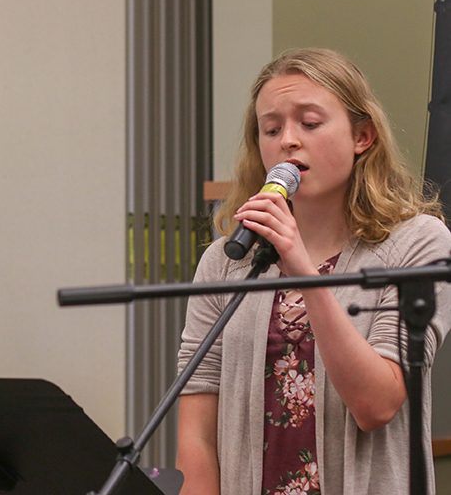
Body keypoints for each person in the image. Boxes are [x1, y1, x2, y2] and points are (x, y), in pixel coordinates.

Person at [175, 48, 451, 494]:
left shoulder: (417, 243)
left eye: (309, 123)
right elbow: (197, 431)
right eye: (271, 128)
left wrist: (300, 265)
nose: (287, 140)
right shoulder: (228, 260)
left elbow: (376, 404)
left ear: (362, 136)